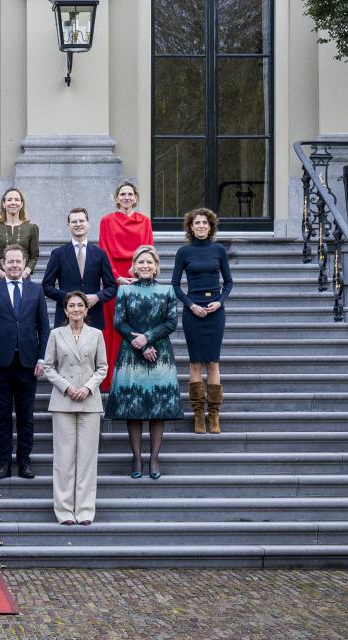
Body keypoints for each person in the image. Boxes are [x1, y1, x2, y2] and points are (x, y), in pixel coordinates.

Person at [105, 245, 183, 480]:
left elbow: (171, 323)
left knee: (158, 408)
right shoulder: (125, 291)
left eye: (149, 262)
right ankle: (137, 457)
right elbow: (119, 322)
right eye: (141, 262)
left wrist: (148, 338)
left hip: (160, 355)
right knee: (134, 409)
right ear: (134, 267)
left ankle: (154, 458)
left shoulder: (167, 290)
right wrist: (140, 343)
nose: (145, 266)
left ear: (156, 266)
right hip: (131, 355)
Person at [0, 244, 50, 480]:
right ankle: (3, 464)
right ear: (2, 263)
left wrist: (42, 358)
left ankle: (24, 462)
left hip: (28, 363)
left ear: (25, 263)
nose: (14, 265)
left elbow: (44, 327)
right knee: (1, 416)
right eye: (10, 261)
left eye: (18, 261)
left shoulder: (35, 290)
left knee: (25, 416)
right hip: (0, 363)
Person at [43, 291, 108, 526]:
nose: (77, 309)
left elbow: (102, 367)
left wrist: (88, 388)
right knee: (64, 458)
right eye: (72, 306)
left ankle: (85, 509)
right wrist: (67, 387)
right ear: (65, 310)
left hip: (89, 401)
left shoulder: (97, 334)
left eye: (80, 305)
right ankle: (63, 510)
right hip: (64, 401)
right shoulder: (56, 334)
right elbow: (48, 367)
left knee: (87, 458)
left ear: (87, 309)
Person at [171, 208, 233, 434]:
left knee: (213, 363)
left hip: (215, 311)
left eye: (205, 223)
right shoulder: (184, 252)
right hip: (193, 311)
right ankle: (198, 415)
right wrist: (190, 305)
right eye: (197, 223)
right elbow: (175, 284)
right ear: (190, 227)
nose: (201, 226)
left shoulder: (218, 250)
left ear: (210, 227)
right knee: (196, 363)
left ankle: (214, 416)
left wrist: (219, 301)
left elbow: (228, 282)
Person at [98, 181, 154, 390]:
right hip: (116, 279)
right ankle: (112, 379)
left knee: (139, 325)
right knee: (115, 328)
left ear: (136, 198)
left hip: (139, 275)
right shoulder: (107, 221)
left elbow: (149, 251)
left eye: (130, 194)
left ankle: (137, 377)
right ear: (116, 198)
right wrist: (115, 277)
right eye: (123, 194)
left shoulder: (145, 221)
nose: (126, 198)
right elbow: (104, 251)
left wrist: (141, 274)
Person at [42, 207, 118, 330]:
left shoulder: (100, 254)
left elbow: (112, 287)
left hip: (93, 317)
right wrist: (68, 297)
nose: (78, 224)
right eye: (74, 222)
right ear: (68, 225)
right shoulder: (58, 254)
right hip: (65, 318)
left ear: (88, 224)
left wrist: (98, 296)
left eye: (81, 221)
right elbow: (46, 286)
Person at [0, 187, 40, 279]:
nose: (13, 202)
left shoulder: (31, 228)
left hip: (23, 279)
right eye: (9, 200)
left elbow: (34, 256)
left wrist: (25, 272)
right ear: (4, 204)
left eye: (16, 199)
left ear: (21, 204)